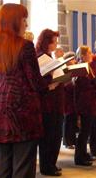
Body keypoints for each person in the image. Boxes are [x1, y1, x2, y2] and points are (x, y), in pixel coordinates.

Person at [0, 4, 50, 177]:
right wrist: (49, 82)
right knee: (23, 168)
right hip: (22, 119)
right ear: (14, 22)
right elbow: (35, 82)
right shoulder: (25, 46)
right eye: (24, 20)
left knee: (3, 168)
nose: (26, 24)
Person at [36, 29, 64, 176]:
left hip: (56, 103)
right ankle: (47, 167)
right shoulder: (40, 57)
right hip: (47, 104)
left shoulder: (49, 57)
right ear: (47, 42)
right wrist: (48, 86)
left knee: (56, 135)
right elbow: (38, 81)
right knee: (48, 136)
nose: (56, 44)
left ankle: (52, 163)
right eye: (54, 41)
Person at [74, 45, 96, 165]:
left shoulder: (88, 66)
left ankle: (84, 154)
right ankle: (79, 157)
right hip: (84, 103)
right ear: (83, 56)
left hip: (90, 102)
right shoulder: (81, 67)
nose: (92, 55)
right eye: (89, 53)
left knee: (86, 131)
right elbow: (82, 86)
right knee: (83, 132)